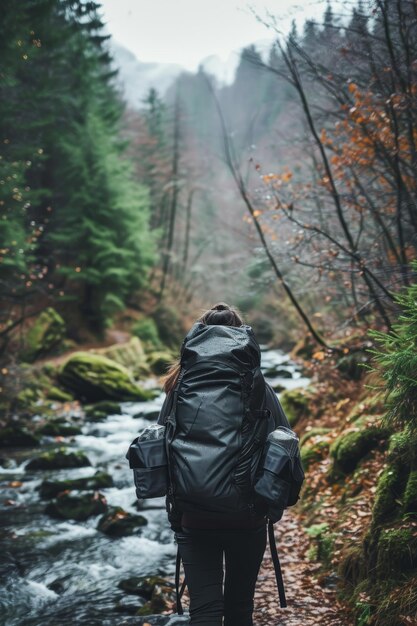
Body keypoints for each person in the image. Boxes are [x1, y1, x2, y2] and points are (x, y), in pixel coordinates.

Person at [156, 302, 291, 626]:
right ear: (241, 340)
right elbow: (284, 440)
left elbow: (162, 446)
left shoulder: (179, 386)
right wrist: (272, 503)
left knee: (203, 610)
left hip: (194, 515)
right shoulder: (257, 387)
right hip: (247, 516)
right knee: (240, 607)